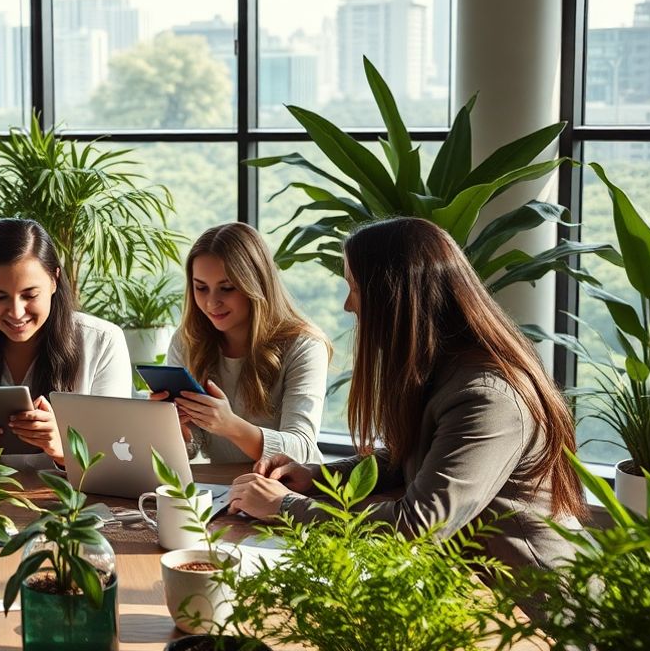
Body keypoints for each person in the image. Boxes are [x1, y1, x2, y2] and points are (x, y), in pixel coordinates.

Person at [228, 217, 587, 574]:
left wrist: (286, 507)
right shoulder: (447, 369)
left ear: (392, 298)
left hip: (538, 610)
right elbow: (417, 457)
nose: (347, 306)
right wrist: (318, 478)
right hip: (482, 594)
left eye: (354, 288)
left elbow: (418, 525)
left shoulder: (487, 399)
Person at [0, 218, 133, 465]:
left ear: (54, 280)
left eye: (30, 295)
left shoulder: (102, 341)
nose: (16, 312)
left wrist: (62, 448)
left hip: (74, 501)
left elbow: (117, 455)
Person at [151, 223, 329, 464]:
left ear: (255, 285)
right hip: (226, 491)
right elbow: (194, 447)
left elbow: (302, 450)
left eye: (227, 288)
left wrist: (229, 425)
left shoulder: (304, 346)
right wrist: (175, 429)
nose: (212, 303)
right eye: (201, 288)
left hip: (287, 493)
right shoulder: (187, 341)